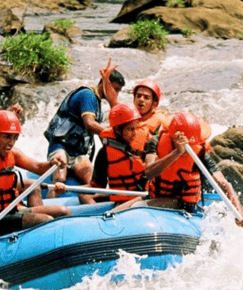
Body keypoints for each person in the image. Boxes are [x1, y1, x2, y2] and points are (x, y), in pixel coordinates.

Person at [124, 111, 243, 229]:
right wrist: (177, 152)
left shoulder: (199, 152)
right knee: (115, 212)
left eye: (190, 143)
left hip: (182, 204)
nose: (187, 147)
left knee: (136, 207)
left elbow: (224, 184)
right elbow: (149, 172)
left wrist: (240, 214)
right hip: (155, 197)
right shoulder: (156, 142)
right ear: (173, 136)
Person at [43, 58, 125, 198]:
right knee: (60, 177)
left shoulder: (97, 105)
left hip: (77, 153)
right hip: (60, 146)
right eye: (115, 89)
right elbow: (89, 124)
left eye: (118, 91)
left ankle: (89, 206)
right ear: (105, 83)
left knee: (93, 181)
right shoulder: (87, 95)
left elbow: (101, 135)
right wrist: (111, 134)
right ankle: (50, 205)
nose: (116, 94)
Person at [0, 109, 71, 235]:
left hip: (13, 210)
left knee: (63, 211)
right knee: (45, 220)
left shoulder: (14, 154)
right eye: (6, 137)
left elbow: (38, 167)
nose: (11, 143)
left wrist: (53, 163)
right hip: (2, 217)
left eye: (14, 137)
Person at [78, 103, 147, 206]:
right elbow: (98, 186)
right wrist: (69, 188)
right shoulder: (104, 153)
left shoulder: (145, 144)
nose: (135, 133)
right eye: (130, 129)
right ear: (118, 130)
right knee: (82, 195)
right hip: (121, 199)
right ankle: (97, 217)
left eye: (136, 128)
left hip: (143, 197)